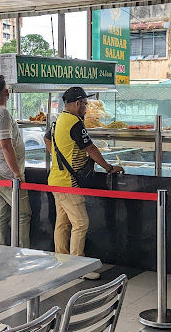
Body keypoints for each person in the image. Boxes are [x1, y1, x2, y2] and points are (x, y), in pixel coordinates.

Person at [44, 87, 123, 280]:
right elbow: (91, 148)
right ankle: (78, 267)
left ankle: (62, 262)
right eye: (85, 104)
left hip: (55, 179)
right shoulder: (74, 122)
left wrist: (58, 158)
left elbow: (46, 138)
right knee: (80, 223)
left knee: (62, 224)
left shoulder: (58, 120)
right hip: (69, 183)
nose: (86, 108)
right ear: (78, 103)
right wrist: (108, 167)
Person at [0, 75, 32, 247]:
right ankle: (23, 251)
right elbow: (6, 145)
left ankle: (0, 248)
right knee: (23, 214)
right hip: (7, 173)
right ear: (6, 92)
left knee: (1, 212)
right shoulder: (2, 114)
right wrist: (16, 173)